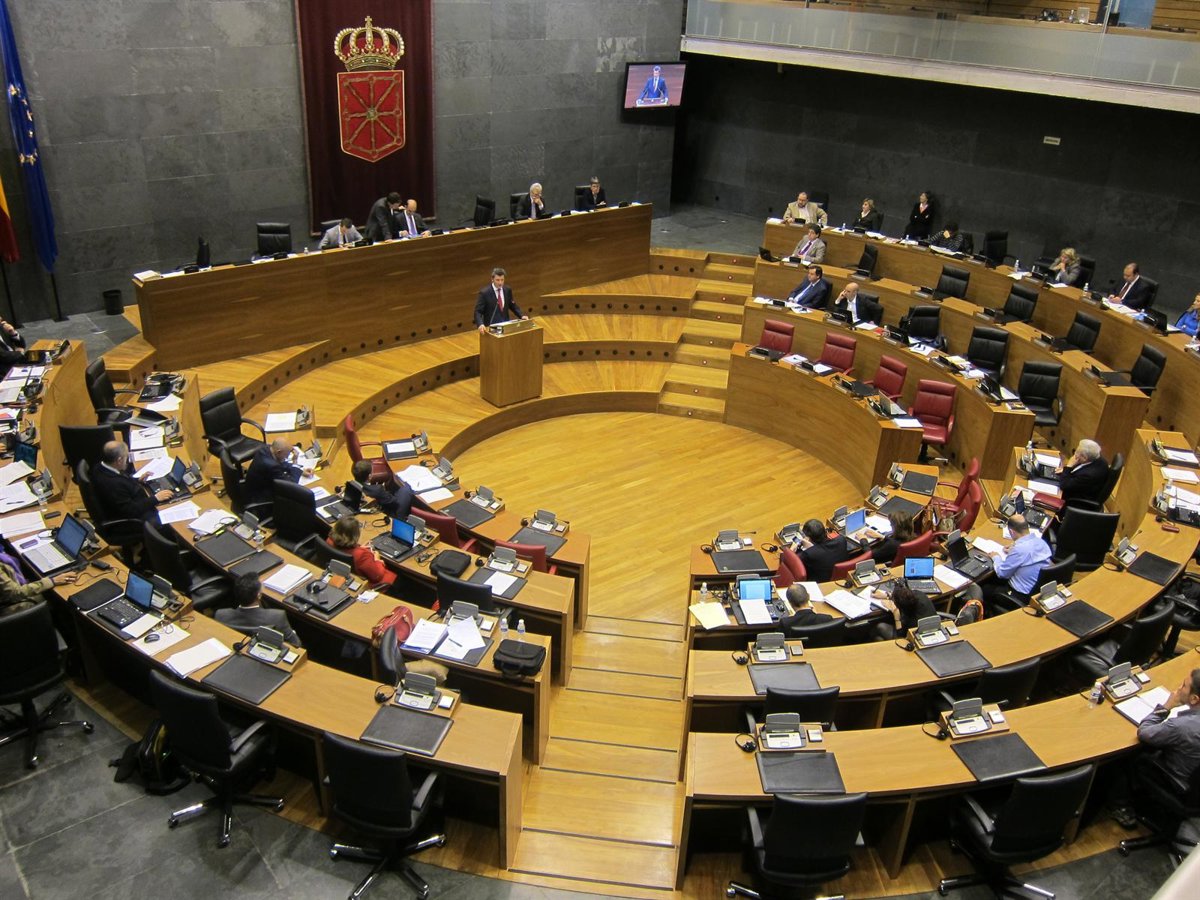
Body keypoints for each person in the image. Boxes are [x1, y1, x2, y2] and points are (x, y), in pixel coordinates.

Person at [1109, 668, 1200, 828]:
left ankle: (1120, 806)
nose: (1179, 688)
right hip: (1196, 783)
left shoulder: (1182, 727)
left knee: (1131, 753)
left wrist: (1166, 706)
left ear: (1194, 699)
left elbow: (1144, 732)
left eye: (1184, 686)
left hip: (1178, 784)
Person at [91, 441, 172, 524]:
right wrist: (155, 498)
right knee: (169, 513)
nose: (128, 461)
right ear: (119, 460)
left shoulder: (100, 467)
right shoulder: (113, 484)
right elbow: (130, 510)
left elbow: (123, 481)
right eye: (126, 457)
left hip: (135, 500)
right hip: (136, 519)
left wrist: (137, 480)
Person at [982, 514, 1051, 610]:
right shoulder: (1042, 543)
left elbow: (1002, 574)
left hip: (1019, 595)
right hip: (1035, 591)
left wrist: (996, 557)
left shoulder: (1019, 550)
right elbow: (1029, 554)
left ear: (1011, 532)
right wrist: (1013, 550)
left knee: (984, 587)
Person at [215, 574, 302, 647]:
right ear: (259, 595)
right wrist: (292, 632)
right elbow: (296, 644)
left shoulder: (221, 615)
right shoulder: (277, 616)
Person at [0, 549, 76, 617]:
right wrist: (52, 581)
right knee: (59, 600)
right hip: (9, 606)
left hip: (12, 592)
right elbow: (15, 592)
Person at [329, 517, 395, 590]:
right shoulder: (361, 555)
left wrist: (359, 548)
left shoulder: (329, 541)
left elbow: (346, 550)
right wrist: (377, 559)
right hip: (371, 584)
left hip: (343, 574)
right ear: (355, 535)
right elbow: (377, 576)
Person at [244, 438, 310, 508]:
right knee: (297, 498)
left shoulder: (265, 449)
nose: (286, 458)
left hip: (252, 489)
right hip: (260, 498)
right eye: (286, 455)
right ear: (279, 452)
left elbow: (280, 462)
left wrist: (300, 470)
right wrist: (295, 463)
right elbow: (292, 484)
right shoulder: (271, 466)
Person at [1056, 439, 1110, 507]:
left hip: (1074, 501)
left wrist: (1068, 467)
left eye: (1076, 452)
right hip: (1079, 487)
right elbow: (1081, 467)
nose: (1074, 454)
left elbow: (1064, 485)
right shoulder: (1098, 458)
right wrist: (1065, 470)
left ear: (1084, 458)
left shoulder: (1088, 475)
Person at [796, 518, 852, 584]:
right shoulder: (841, 540)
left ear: (809, 538)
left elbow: (795, 561)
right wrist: (813, 548)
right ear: (825, 531)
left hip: (821, 583)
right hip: (841, 577)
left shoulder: (810, 553)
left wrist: (794, 548)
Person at [474, 267, 527, 332]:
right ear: (492, 279)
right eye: (497, 280)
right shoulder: (484, 293)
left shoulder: (507, 290)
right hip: (492, 328)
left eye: (502, 280)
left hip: (506, 327)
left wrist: (521, 315)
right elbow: (478, 312)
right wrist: (480, 324)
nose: (500, 283)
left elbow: (512, 305)